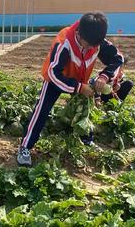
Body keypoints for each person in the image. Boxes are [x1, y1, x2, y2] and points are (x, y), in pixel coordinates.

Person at [17, 13, 123, 167]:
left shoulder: (96, 42)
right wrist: (79, 87)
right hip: (57, 79)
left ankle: (86, 139)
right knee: (42, 110)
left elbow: (118, 58)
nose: (90, 49)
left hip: (81, 79)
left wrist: (104, 76)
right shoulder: (64, 43)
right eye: (87, 45)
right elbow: (53, 73)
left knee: (84, 109)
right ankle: (25, 147)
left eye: (94, 46)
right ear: (79, 33)